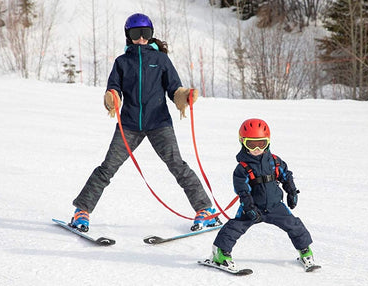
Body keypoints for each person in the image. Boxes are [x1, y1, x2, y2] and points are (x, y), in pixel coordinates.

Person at [70, 13, 221, 232]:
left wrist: (183, 96)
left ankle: (205, 210)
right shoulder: (122, 62)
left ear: (151, 35)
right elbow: (114, 88)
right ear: (128, 36)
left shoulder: (161, 60)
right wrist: (112, 97)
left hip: (159, 122)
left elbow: (173, 89)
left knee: (177, 165)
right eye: (136, 34)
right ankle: (81, 211)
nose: (141, 38)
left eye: (145, 34)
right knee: (107, 168)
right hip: (130, 124)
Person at [210, 118, 317, 270]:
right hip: (253, 207)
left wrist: (292, 191)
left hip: (275, 205)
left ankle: (305, 251)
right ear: (242, 142)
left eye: (261, 144)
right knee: (234, 228)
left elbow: (286, 175)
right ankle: (220, 253)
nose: (256, 149)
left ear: (268, 142)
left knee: (294, 225)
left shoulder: (275, 161)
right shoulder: (242, 168)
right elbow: (243, 190)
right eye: (251, 144)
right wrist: (249, 207)